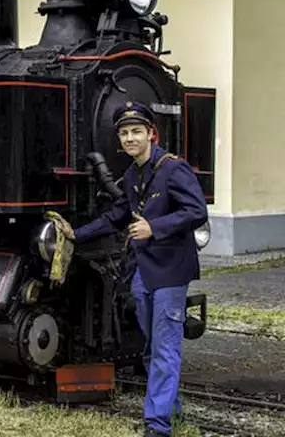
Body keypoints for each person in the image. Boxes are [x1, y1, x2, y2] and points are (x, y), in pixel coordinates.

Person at [54, 101, 208, 437]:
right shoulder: (133, 174)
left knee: (165, 347)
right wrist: (76, 234)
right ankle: (171, 407)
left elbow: (197, 211)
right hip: (142, 271)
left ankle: (157, 424)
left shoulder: (173, 168)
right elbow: (116, 216)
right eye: (124, 133)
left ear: (151, 134)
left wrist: (155, 227)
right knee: (153, 345)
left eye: (136, 131)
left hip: (170, 270)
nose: (129, 138)